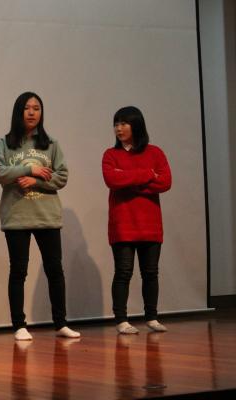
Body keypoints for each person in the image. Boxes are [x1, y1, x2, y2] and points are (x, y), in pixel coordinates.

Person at [0, 92, 80, 340]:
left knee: (54, 270)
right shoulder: (5, 143)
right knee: (18, 271)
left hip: (46, 215)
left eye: (37, 108)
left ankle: (60, 323)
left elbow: (62, 176)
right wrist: (29, 168)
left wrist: (36, 181)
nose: (32, 112)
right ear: (18, 112)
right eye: (27, 108)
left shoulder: (51, 144)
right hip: (16, 216)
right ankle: (19, 325)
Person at [102, 106, 172, 334]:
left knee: (150, 272)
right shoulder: (111, 155)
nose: (118, 128)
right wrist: (148, 174)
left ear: (136, 125)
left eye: (123, 123)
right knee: (123, 272)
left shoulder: (155, 153)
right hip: (123, 224)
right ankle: (121, 320)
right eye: (116, 124)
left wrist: (128, 180)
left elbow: (165, 183)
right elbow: (112, 180)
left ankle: (151, 317)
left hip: (150, 224)